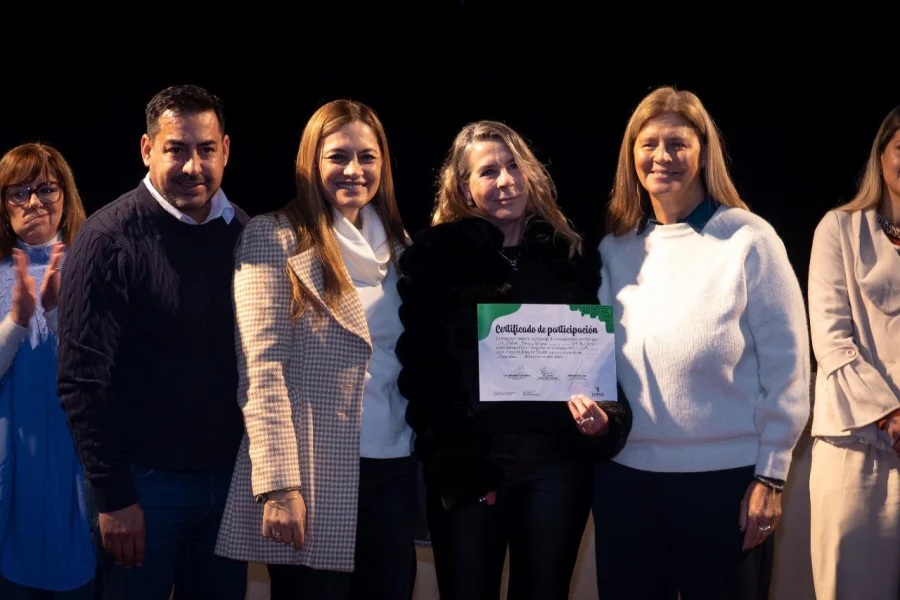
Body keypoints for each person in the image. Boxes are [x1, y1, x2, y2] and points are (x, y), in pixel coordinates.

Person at [394, 119, 632, 600]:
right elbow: (425, 378)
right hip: (475, 472)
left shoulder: (570, 255)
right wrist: (459, 472)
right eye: (488, 172)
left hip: (557, 471)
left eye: (513, 167)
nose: (504, 181)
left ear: (530, 173)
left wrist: (603, 420)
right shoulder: (436, 258)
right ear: (463, 186)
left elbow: (600, 365)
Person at [595, 86, 810, 599]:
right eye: (648, 144)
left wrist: (772, 477)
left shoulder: (750, 239)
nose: (662, 157)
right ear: (631, 157)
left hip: (727, 487)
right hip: (627, 485)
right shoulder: (613, 249)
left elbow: (790, 369)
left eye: (678, 144)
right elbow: (595, 362)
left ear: (703, 153)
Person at [215, 99, 417, 600]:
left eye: (367, 157)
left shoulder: (403, 248)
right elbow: (261, 373)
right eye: (338, 156)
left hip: (392, 469)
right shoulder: (273, 237)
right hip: (313, 477)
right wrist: (280, 485)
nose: (354, 170)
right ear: (312, 162)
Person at [57, 84, 249, 600]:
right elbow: (81, 382)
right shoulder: (106, 240)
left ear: (225, 150)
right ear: (147, 149)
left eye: (206, 149)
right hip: (143, 491)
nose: (193, 166)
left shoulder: (247, 237)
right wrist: (114, 496)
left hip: (229, 486)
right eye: (176, 149)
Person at [807, 105, 900, 600]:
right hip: (856, 444)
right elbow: (830, 339)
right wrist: (890, 415)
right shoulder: (838, 229)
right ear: (881, 155)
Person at [0, 143, 93, 598]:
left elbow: (105, 376)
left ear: (65, 195)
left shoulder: (95, 267)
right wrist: (17, 320)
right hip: (11, 470)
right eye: (19, 191)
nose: (34, 202)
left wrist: (56, 314)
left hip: (77, 474)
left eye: (46, 188)